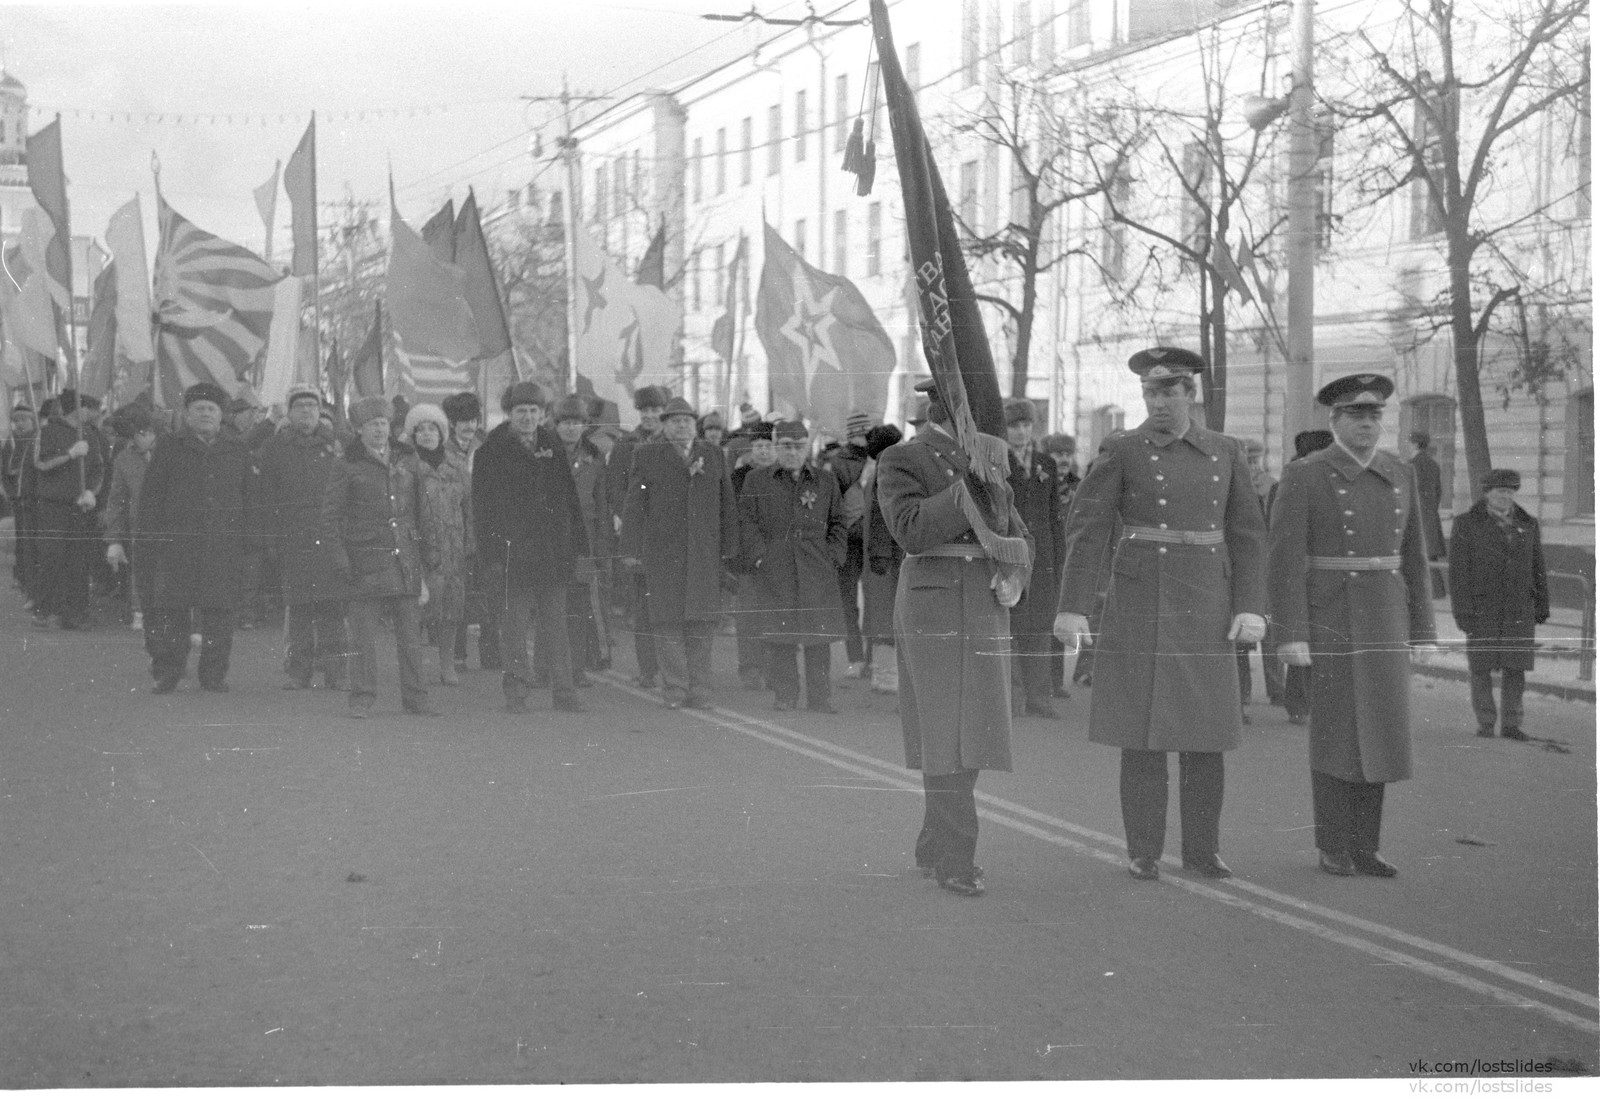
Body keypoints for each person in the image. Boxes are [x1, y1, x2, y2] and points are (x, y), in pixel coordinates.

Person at [1055, 347, 1266, 882]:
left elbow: (1247, 534)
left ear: (1191, 394)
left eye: (1171, 391)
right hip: (1140, 602)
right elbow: (1089, 528)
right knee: (1142, 734)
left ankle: (1203, 850)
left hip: (1207, 605)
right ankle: (1143, 849)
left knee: (1206, 735)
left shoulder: (1225, 450)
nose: (1161, 402)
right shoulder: (1122, 448)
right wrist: (1074, 607)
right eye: (1152, 392)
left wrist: (1251, 607)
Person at [1267, 373, 1436, 878]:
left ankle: (1367, 846)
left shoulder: (1399, 472)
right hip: (1331, 615)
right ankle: (1332, 844)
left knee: (1382, 730)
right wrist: (1291, 632)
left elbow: (1416, 559)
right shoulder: (1306, 474)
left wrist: (1424, 630)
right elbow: (1284, 561)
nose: (1366, 424)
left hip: (1385, 613)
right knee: (1338, 734)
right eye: (1355, 416)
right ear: (1335, 421)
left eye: (1374, 416)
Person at [877, 378, 1032, 898]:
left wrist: (1016, 575)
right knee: (945, 729)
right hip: (932, 599)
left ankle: (933, 841)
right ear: (951, 413)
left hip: (985, 604)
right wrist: (966, 488)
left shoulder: (987, 461)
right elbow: (912, 530)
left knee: (973, 730)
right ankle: (956, 858)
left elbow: (1020, 534)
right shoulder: (904, 458)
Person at [472, 382, 588, 715]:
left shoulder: (552, 443)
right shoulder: (490, 452)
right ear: (509, 414)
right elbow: (482, 510)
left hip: (552, 552)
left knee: (556, 625)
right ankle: (517, 690)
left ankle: (564, 691)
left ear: (542, 414)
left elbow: (568, 496)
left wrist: (577, 542)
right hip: (513, 555)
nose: (528, 417)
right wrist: (491, 557)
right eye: (521, 411)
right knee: (515, 626)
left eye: (534, 411)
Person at [320, 395, 438, 719]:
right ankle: (361, 698)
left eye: (383, 424)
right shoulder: (346, 465)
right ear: (359, 430)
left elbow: (421, 509)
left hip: (405, 561)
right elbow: (330, 519)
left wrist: (430, 553)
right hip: (364, 563)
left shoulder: (407, 460)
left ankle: (417, 699)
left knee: (411, 637)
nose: (378, 430)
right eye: (371, 425)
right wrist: (340, 561)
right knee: (362, 638)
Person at [137, 383, 258, 693]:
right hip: (178, 544)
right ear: (187, 415)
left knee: (220, 614)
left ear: (221, 416)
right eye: (199, 408)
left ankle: (214, 675)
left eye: (212, 409)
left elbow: (249, 498)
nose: (206, 413)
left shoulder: (237, 449)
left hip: (223, 544)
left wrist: (248, 540)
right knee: (173, 611)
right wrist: (151, 538)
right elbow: (151, 498)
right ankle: (168, 672)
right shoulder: (169, 447)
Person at [619, 395, 738, 709]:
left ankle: (700, 690)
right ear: (665, 426)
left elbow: (727, 504)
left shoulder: (713, 455)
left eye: (687, 420)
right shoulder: (646, 455)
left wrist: (729, 547)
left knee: (701, 623)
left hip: (703, 553)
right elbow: (634, 505)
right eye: (674, 421)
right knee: (667, 621)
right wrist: (630, 548)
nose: (682, 425)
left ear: (694, 424)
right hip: (663, 553)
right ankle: (675, 689)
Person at [739, 419, 849, 712]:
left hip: (816, 565)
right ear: (776, 447)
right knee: (780, 636)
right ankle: (785, 695)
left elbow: (838, 522)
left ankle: (820, 697)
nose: (792, 452)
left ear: (807, 447)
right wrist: (760, 556)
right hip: (777, 565)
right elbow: (747, 523)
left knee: (818, 636)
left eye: (798, 446)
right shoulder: (757, 481)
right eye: (786, 446)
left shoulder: (825, 481)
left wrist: (834, 556)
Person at [258, 384, 349, 691]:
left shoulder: (338, 445)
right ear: (290, 412)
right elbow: (266, 496)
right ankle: (299, 671)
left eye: (312, 406)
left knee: (332, 606)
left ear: (320, 411)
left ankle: (336, 671)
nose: (307, 411)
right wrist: (271, 537)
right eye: (300, 407)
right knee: (298, 607)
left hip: (331, 535)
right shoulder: (275, 447)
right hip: (292, 536)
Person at [1447, 469, 1549, 741]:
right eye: (1499, 491)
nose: (1505, 496)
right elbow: (1458, 573)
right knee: (1481, 667)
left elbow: (1537, 566)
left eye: (1510, 492)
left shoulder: (1528, 523)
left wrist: (1542, 603)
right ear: (1487, 493)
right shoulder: (1466, 524)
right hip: (1483, 607)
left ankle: (1512, 724)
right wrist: (1462, 611)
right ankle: (1485, 722)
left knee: (1516, 667)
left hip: (1519, 607)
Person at [1003, 398, 1064, 719]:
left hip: (1042, 558)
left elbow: (1055, 516)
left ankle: (1040, 698)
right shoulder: (996, 462)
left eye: (1026, 425)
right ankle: (1012, 700)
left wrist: (1059, 558)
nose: (1021, 432)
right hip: (1011, 553)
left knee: (1039, 627)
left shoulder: (1046, 464)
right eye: (1014, 426)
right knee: (1011, 626)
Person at [405, 403, 473, 687]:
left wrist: (471, 542)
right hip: (421, 550)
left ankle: (447, 665)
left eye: (432, 428)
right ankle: (414, 669)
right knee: (418, 612)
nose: (426, 434)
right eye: (420, 429)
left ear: (442, 433)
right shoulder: (406, 466)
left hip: (454, 549)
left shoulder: (457, 466)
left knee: (452, 611)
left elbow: (469, 507)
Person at [31, 389, 108, 630]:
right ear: (80, 408)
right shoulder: (47, 431)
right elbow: (40, 464)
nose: (94, 414)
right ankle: (47, 611)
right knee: (53, 558)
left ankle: (76, 611)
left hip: (80, 506)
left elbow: (99, 470)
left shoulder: (91, 434)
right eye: (90, 408)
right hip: (53, 505)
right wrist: (70, 454)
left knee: (78, 560)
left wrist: (91, 493)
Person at [609, 385, 670, 689]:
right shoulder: (626, 445)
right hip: (640, 535)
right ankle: (648, 669)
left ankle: (673, 668)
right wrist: (628, 523)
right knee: (643, 605)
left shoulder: (676, 442)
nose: (649, 415)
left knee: (670, 602)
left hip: (670, 535)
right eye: (644, 410)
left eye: (655, 410)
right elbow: (616, 488)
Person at [1274, 429, 1334, 725]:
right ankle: (1297, 703)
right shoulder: (1293, 478)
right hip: (1303, 573)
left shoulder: (1330, 481)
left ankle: (1316, 702)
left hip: (1326, 574)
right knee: (1302, 640)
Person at [553, 394, 612, 682]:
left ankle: (575, 669)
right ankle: (546, 670)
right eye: (565, 423)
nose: (570, 428)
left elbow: (602, 506)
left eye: (576, 423)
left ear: (584, 426)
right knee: (551, 608)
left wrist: (601, 548)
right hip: (552, 542)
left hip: (584, 543)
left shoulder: (595, 459)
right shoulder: (545, 454)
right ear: (557, 425)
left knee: (579, 609)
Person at [1235, 439, 1284, 717]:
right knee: (1241, 634)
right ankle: (1241, 696)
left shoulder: (1273, 487)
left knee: (1270, 631)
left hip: (1266, 565)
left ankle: (1277, 690)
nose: (1253, 465)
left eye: (1256, 459)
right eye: (1248, 460)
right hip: (1242, 566)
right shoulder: (1233, 484)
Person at [103, 405, 159, 632]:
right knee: (141, 569)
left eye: (143, 434)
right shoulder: (124, 459)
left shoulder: (173, 451)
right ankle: (140, 611)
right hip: (141, 524)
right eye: (134, 437)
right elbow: (117, 501)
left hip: (174, 522)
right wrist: (114, 540)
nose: (139, 441)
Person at [730, 422, 776, 690]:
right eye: (758, 446)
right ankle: (750, 668)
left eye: (769, 446)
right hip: (747, 561)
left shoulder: (785, 477)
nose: (763, 451)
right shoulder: (738, 478)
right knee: (748, 617)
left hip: (778, 560)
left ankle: (774, 670)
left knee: (775, 616)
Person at [860, 423, 905, 695]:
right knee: (887, 617)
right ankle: (886, 676)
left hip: (878, 558)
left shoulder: (876, 474)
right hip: (886, 559)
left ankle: (881, 672)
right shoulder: (886, 477)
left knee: (880, 615)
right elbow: (881, 521)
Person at [1040, 432, 1081, 699]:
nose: (1063, 459)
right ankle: (1043, 681)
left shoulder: (1080, 486)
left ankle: (1055, 682)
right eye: (1057, 454)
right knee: (1043, 620)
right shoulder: (1041, 483)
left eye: (1067, 454)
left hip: (1071, 558)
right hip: (1048, 556)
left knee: (1060, 619)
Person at [3, 402, 41, 606]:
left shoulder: (38, 437)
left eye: (23, 420)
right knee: (24, 542)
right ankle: (25, 582)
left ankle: (35, 588)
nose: (19, 424)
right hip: (20, 500)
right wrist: (11, 493)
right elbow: (6, 471)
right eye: (15, 421)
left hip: (37, 498)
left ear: (32, 420)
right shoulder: (11, 441)